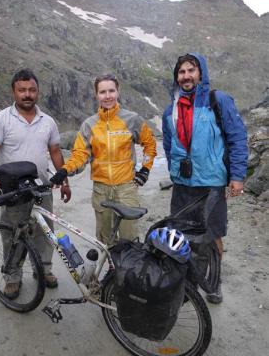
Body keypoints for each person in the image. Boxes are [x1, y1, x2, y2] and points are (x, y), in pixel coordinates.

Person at [162, 53, 248, 304]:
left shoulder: (217, 100)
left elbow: (237, 137)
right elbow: (168, 145)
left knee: (212, 236)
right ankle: (187, 283)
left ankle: (213, 283)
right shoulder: (171, 110)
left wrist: (237, 177)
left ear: (201, 73)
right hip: (183, 185)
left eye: (191, 70)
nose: (186, 76)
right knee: (180, 235)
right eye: (181, 72)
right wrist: (174, 169)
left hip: (211, 183)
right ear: (176, 77)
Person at [0, 69, 71, 297]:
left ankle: (44, 270)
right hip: (13, 190)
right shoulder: (1, 119)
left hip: (42, 187)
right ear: (14, 91)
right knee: (13, 234)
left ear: (38, 92)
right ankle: (12, 277)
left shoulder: (48, 121)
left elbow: (55, 151)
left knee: (44, 231)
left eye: (32, 90)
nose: (27, 94)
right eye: (22, 90)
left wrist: (65, 180)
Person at [50, 73, 156, 245]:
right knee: (106, 242)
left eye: (111, 91)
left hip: (127, 188)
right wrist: (64, 171)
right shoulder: (89, 125)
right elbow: (80, 155)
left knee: (130, 240)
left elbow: (150, 144)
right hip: (101, 190)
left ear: (118, 91)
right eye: (103, 92)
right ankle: (112, 272)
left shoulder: (132, 119)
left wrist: (145, 170)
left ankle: (128, 272)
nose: (107, 96)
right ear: (96, 95)